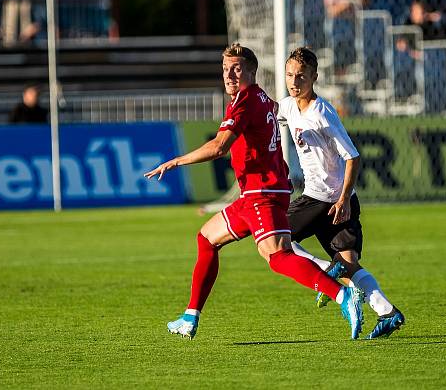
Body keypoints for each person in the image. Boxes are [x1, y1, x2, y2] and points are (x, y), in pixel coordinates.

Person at [144, 43, 364, 340]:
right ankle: (189, 316)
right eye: (225, 69)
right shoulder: (262, 97)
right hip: (256, 192)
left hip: (262, 192)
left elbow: (219, 146)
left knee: (278, 256)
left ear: (251, 71)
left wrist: (176, 161)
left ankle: (341, 295)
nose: (229, 75)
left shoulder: (245, 101)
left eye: (236, 69)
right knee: (207, 238)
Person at [277, 47, 405, 340]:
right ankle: (389, 313)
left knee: (275, 238)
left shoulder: (322, 113)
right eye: (290, 75)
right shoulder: (288, 106)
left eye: (301, 76)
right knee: (350, 266)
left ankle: (325, 272)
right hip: (336, 203)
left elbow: (353, 157)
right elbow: (270, 110)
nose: (294, 81)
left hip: (325, 200)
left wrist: (344, 197)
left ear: (314, 77)